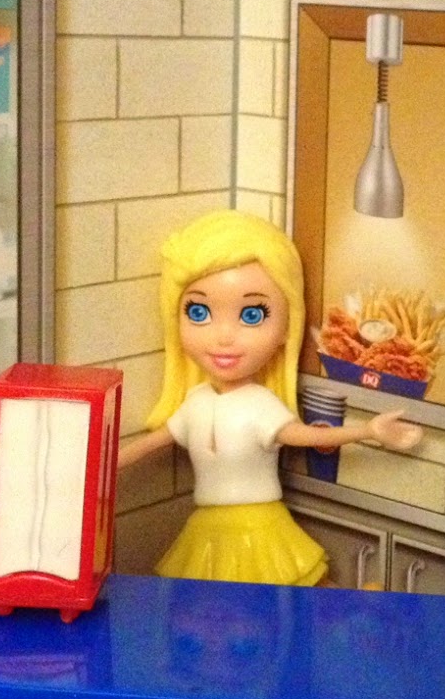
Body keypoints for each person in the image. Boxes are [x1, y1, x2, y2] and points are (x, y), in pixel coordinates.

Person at [120, 210, 421, 585]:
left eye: (252, 315)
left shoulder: (260, 405)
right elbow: (150, 444)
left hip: (261, 530)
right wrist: (96, 467)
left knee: (284, 605)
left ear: (286, 327)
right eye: (199, 312)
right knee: (210, 614)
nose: (224, 336)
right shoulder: (195, 402)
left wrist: (368, 430)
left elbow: (306, 435)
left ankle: (361, 612)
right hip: (207, 532)